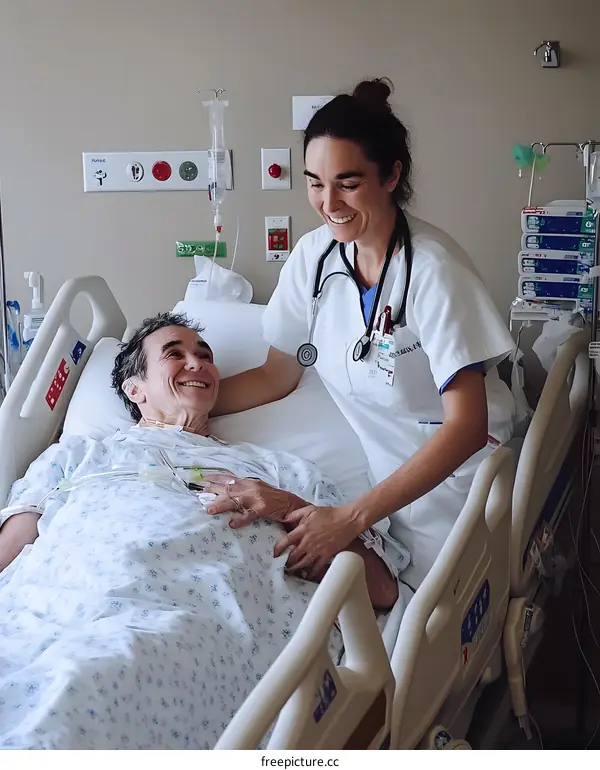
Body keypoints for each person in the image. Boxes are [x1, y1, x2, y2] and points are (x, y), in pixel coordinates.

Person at [0, 312, 399, 750]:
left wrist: (286, 506)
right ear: (135, 391)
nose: (198, 363)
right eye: (175, 354)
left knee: (70, 701)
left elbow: (378, 588)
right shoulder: (78, 453)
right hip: (45, 612)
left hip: (186, 625)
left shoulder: (280, 471)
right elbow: (14, 546)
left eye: (204, 356)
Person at [212, 78, 518, 590]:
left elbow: (466, 428)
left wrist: (352, 519)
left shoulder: (434, 270)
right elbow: (276, 375)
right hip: (379, 478)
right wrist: (175, 409)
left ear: (392, 175)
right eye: (314, 182)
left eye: (347, 183)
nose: (328, 202)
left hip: (458, 482)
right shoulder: (314, 258)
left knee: (432, 622)